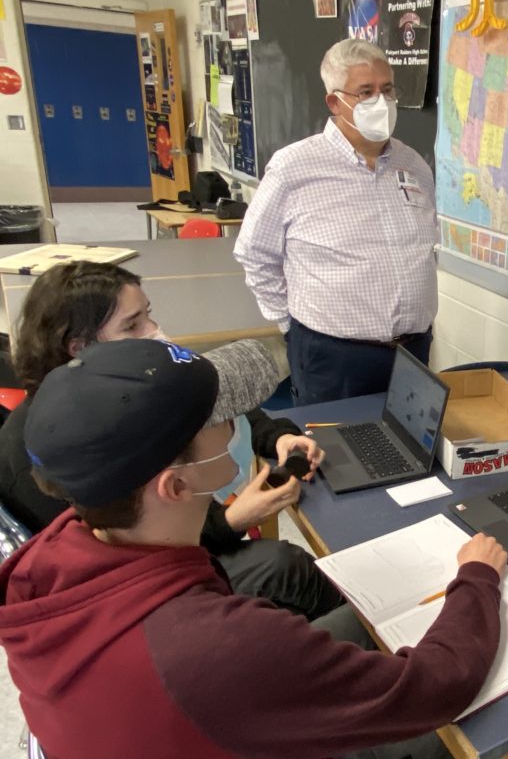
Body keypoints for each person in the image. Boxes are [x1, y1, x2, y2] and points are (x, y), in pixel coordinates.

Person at [0, 338, 507, 758]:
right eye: (217, 418)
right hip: (213, 697)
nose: (238, 420)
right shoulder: (218, 647)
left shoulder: (54, 554)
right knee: (465, 735)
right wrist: (477, 580)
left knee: (356, 617)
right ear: (175, 486)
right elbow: (435, 685)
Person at [0, 261, 341, 620]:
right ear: (79, 347)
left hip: (174, 541)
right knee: (285, 566)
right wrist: (231, 521)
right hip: (137, 590)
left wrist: (278, 438)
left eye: (148, 315)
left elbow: (206, 400)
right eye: (132, 325)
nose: (154, 331)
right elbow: (134, 553)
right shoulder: (53, 458)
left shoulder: (115, 394)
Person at [234, 38, 439, 405]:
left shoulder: (415, 166)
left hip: (413, 351)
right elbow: (255, 255)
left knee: (408, 454)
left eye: (387, 89)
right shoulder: (293, 167)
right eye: (366, 92)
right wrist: (292, 326)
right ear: (335, 101)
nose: (382, 101)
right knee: (334, 457)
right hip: (333, 359)